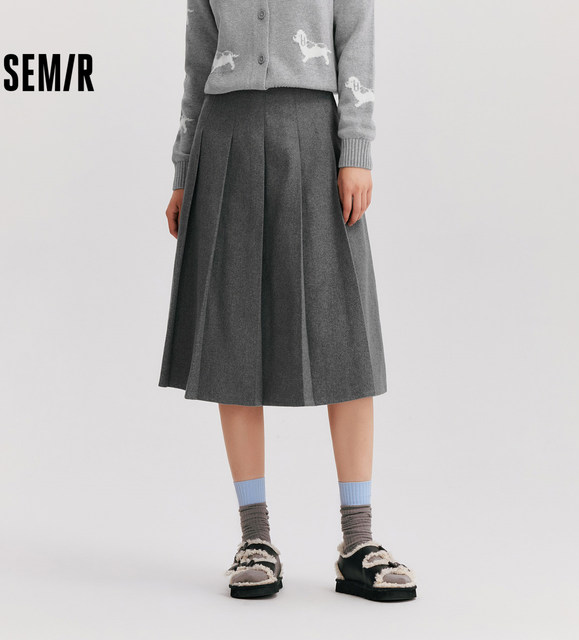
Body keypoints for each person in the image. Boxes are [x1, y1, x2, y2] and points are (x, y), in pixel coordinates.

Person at [158, 0, 417, 602]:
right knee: (232, 333)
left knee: (345, 334)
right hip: (225, 136)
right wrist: (182, 169)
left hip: (315, 134)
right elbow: (198, 63)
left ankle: (358, 542)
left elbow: (356, 35)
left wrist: (356, 147)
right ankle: (255, 538)